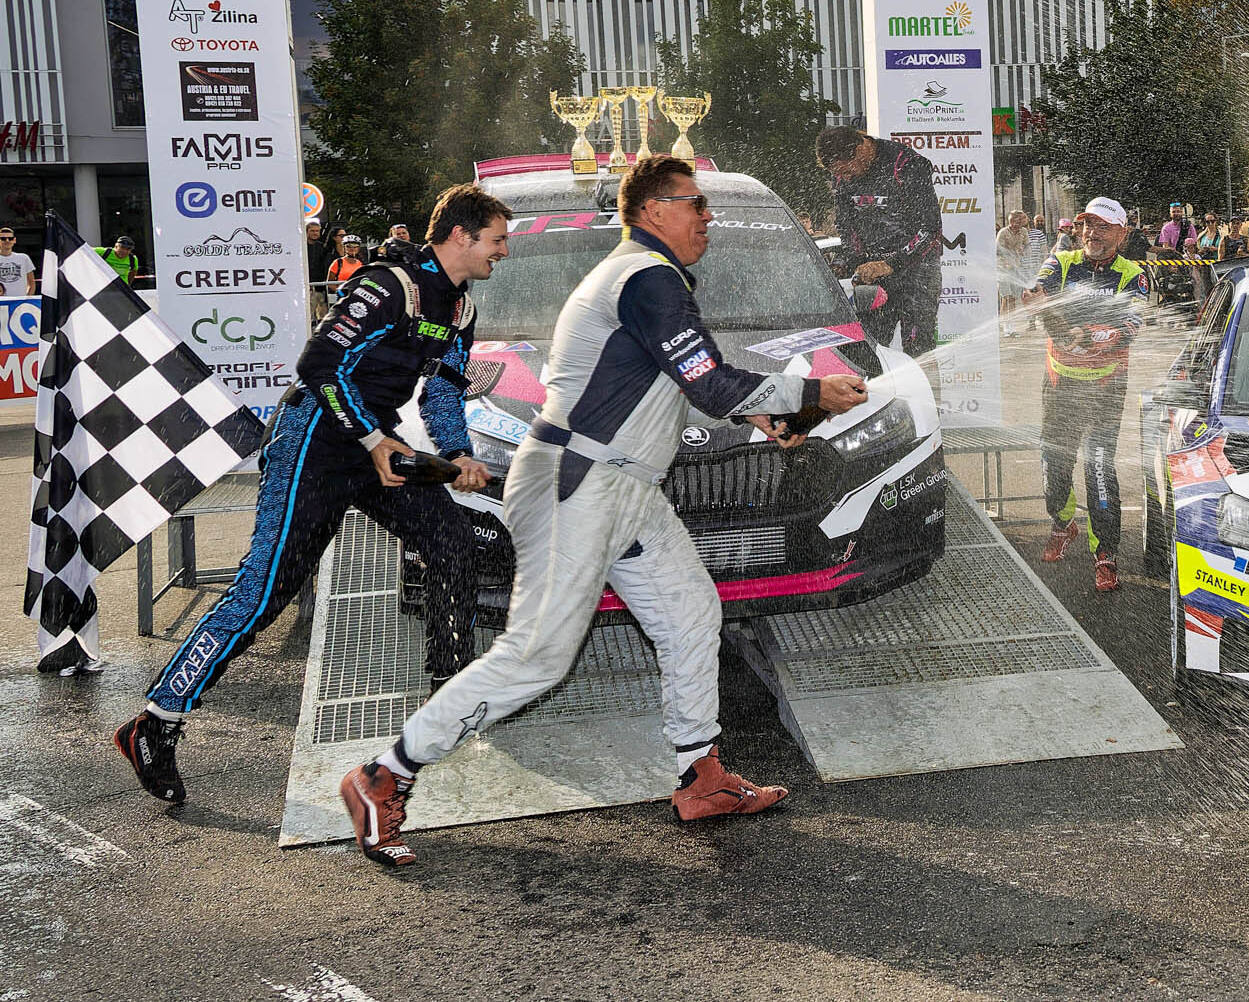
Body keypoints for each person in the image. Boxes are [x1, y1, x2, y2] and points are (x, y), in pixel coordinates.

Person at [338, 155, 869, 866]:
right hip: (579, 483)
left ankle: (700, 774)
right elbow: (708, 381)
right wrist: (808, 390)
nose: (707, 215)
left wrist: (764, 415)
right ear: (654, 211)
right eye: (695, 203)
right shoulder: (646, 276)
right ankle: (383, 775)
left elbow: (665, 380)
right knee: (537, 657)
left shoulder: (648, 275)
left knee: (691, 614)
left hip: (623, 488)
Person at [115, 185, 510, 807]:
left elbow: (441, 391)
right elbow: (319, 365)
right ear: (461, 235)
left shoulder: (460, 308)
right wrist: (374, 438)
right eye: (497, 239)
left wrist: (457, 453)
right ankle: (155, 722)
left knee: (453, 540)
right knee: (264, 593)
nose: (503, 251)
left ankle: (447, 700)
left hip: (373, 444)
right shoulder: (388, 284)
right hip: (313, 441)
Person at [1025, 197, 1147, 593]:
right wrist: (1037, 299)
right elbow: (1040, 291)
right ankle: (1064, 524)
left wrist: (1093, 335)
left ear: (1121, 234)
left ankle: (1106, 552)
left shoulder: (1133, 274)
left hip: (1105, 389)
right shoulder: (1061, 261)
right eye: (1087, 225)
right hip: (1059, 385)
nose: (1092, 233)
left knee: (1098, 469)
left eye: (1103, 227)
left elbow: (1131, 326)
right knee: (1055, 467)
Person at [817, 126, 945, 357]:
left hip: (917, 270)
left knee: (919, 348)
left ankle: (925, 381)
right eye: (838, 174)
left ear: (860, 149)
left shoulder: (906, 164)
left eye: (846, 170)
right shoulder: (842, 178)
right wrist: (853, 262)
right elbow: (846, 226)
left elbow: (930, 228)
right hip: (875, 274)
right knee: (867, 347)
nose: (845, 178)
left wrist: (891, 264)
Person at [995, 210, 1032, 335]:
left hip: (1016, 268)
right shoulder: (1003, 233)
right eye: (1016, 222)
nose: (1018, 224)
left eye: (1020, 222)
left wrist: (1024, 251)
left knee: (1013, 299)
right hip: (1002, 269)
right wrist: (1009, 256)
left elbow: (1028, 246)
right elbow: (997, 250)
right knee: (1006, 297)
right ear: (1010, 221)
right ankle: (1006, 326)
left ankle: (1011, 326)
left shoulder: (1024, 232)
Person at [1192, 212, 1226, 306]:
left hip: (1217, 264)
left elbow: (1225, 248)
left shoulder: (1221, 234)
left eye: (1212, 221)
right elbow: (1198, 249)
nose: (1210, 224)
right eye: (1207, 222)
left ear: (1216, 221)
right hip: (1205, 265)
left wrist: (1215, 249)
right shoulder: (1202, 236)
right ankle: (1208, 306)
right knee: (1206, 288)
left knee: (1218, 286)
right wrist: (1201, 251)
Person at [0, 226, 36, 297]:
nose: (7, 240)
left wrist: (27, 298)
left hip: (20, 301)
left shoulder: (24, 258)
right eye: (3, 238)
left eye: (10, 238)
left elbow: (31, 283)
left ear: (14, 240)